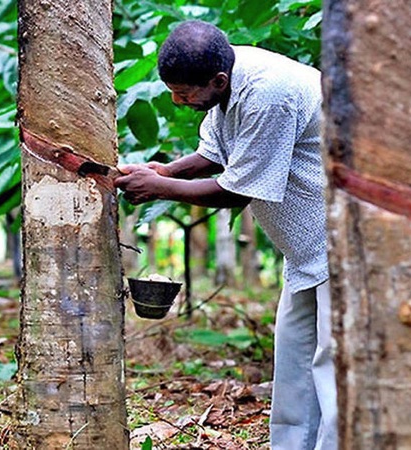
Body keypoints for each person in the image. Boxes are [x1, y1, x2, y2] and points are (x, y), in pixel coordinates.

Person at [114, 21, 336, 450]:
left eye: (184, 93)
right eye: (172, 91)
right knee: (294, 361)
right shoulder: (227, 80)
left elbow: (238, 191)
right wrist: (164, 171)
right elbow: (214, 156)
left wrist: (160, 188)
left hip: (338, 244)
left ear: (218, 80)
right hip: (305, 251)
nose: (178, 102)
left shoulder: (270, 93)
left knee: (331, 363)